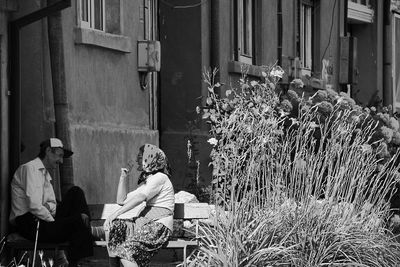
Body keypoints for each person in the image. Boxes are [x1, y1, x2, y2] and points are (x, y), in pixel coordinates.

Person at [9, 138, 93, 267]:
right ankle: (77, 261)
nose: (61, 161)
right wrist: (55, 222)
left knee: (76, 192)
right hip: (30, 224)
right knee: (77, 221)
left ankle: (85, 229)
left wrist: (48, 209)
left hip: (43, 220)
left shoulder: (45, 175)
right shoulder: (30, 169)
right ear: (48, 151)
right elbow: (35, 206)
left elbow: (52, 205)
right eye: (59, 156)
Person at [102, 144, 175, 267]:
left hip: (158, 227)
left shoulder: (160, 178)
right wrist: (123, 176)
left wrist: (115, 214)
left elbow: (140, 198)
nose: (136, 160)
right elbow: (121, 200)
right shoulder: (149, 180)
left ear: (150, 159)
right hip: (146, 223)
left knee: (126, 251)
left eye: (140, 157)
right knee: (113, 227)